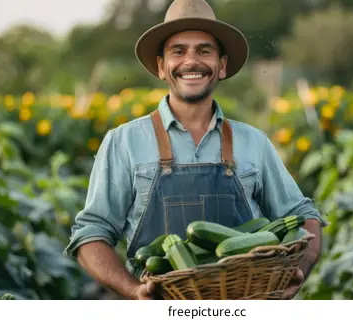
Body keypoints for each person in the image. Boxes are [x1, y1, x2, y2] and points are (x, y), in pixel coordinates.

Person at [64, 0, 328, 300]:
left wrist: (299, 271)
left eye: (204, 51)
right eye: (179, 51)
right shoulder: (123, 142)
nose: (192, 61)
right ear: (162, 67)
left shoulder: (254, 142)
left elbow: (304, 216)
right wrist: (134, 290)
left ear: (222, 66)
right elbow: (90, 234)